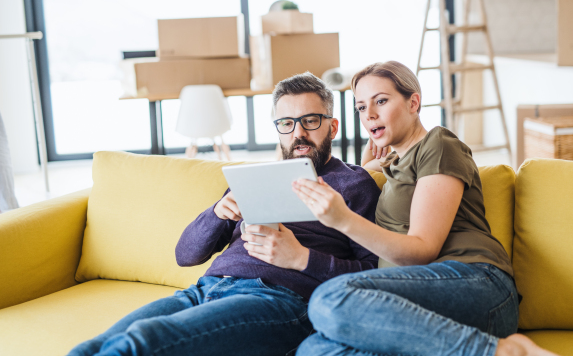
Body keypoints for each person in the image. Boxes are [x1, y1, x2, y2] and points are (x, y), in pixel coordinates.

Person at [67, 72, 381, 356]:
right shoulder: (255, 179)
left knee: (140, 342)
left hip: (278, 299)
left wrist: (301, 257)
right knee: (91, 347)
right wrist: (218, 213)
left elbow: (373, 275)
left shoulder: (354, 184)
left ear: (332, 126)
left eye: (310, 120)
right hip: (204, 290)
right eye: (287, 123)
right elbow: (185, 255)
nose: (298, 132)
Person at [292, 61, 559, 356]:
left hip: (475, 283)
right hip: (414, 309)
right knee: (313, 349)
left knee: (329, 299)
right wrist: (370, 162)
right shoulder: (394, 165)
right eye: (360, 107)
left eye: (381, 101)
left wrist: (343, 220)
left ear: (413, 102)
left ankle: (502, 352)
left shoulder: (439, 143)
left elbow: (422, 250)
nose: (369, 115)